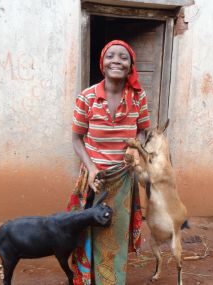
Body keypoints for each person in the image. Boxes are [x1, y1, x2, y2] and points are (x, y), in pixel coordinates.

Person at [67, 40, 151, 285]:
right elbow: (76, 138)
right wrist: (92, 168)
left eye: (123, 57)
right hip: (94, 177)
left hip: (123, 178)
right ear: (102, 64)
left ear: (130, 65)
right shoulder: (87, 97)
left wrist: (135, 151)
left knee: (114, 234)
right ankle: (86, 277)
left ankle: (112, 281)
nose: (117, 60)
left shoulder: (138, 96)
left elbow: (142, 131)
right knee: (87, 229)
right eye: (111, 56)